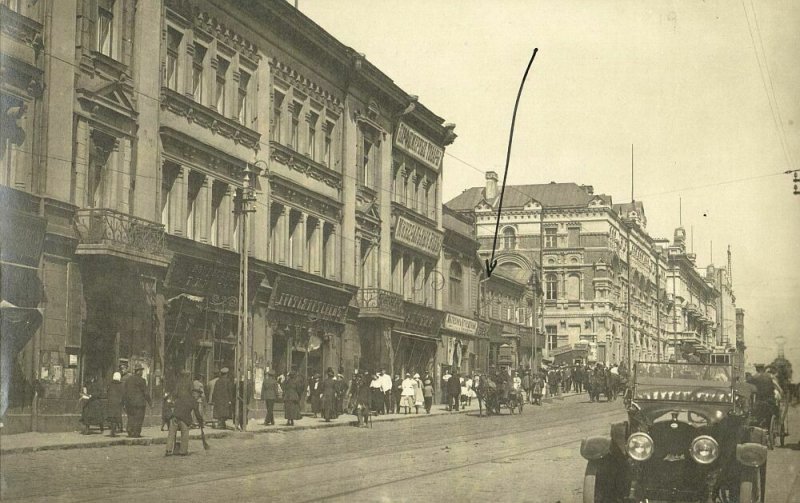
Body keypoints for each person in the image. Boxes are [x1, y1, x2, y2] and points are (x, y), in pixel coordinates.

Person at [165, 372, 204, 457]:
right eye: (198, 395)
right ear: (195, 394)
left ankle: (168, 450)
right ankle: (183, 451)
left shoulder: (182, 396)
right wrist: (201, 423)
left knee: (171, 433)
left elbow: (175, 402)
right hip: (184, 419)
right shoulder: (194, 401)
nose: (198, 397)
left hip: (174, 416)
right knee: (185, 433)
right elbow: (197, 414)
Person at [122, 364, 151, 437]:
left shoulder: (128, 380)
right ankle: (136, 432)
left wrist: (124, 402)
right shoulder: (142, 380)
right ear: (139, 371)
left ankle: (130, 430)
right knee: (139, 418)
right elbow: (146, 393)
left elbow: (125, 392)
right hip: (139, 403)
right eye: (141, 371)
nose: (142, 372)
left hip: (129, 403)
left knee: (131, 417)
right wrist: (150, 402)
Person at [106, 372, 124, 437]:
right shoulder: (121, 385)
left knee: (111, 416)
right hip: (118, 403)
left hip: (111, 402)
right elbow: (123, 394)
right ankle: (114, 430)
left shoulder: (110, 384)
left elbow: (107, 392)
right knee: (116, 417)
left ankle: (112, 430)